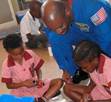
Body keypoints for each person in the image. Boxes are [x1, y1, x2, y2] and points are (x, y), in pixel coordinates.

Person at [41, 0, 111, 84]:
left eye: (60, 26)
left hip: (103, 32)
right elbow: (53, 38)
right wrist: (65, 69)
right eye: (55, 28)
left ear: (67, 11)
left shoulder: (93, 7)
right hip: (78, 30)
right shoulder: (52, 13)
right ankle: (74, 71)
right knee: (55, 37)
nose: (59, 31)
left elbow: (106, 38)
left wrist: (98, 64)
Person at [1, 34, 63, 102]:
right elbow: (9, 85)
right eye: (15, 55)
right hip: (21, 91)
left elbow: (38, 69)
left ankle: (42, 99)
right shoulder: (6, 65)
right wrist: (23, 83)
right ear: (8, 52)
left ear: (23, 45)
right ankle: (42, 97)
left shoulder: (30, 53)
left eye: (21, 52)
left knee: (59, 82)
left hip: (36, 85)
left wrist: (39, 79)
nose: (20, 56)